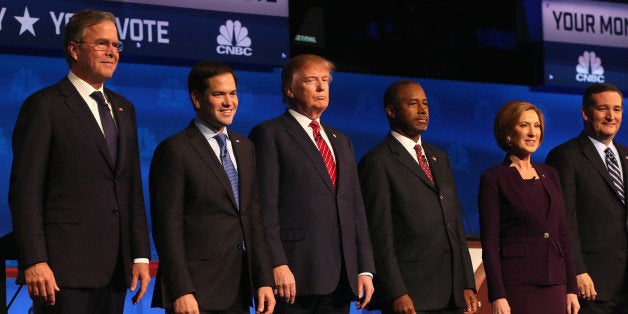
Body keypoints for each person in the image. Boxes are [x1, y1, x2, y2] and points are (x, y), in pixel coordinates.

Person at [8, 9, 151, 313]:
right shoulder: (44, 106)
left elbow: (131, 188)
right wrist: (35, 260)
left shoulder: (125, 108)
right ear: (74, 49)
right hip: (62, 271)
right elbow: (25, 192)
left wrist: (140, 255)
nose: (112, 52)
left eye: (116, 45)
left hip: (114, 268)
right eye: (102, 43)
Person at [248, 53, 375, 314]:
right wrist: (276, 263)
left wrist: (364, 267)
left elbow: (355, 209)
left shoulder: (341, 140)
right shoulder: (269, 134)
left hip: (341, 277)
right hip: (295, 276)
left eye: (325, 80)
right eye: (311, 80)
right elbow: (263, 209)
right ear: (290, 89)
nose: (321, 87)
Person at [149, 60, 275, 314]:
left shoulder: (245, 146)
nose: (229, 102)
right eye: (219, 94)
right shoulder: (174, 150)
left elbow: (253, 219)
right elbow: (167, 229)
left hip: (239, 289)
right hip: (196, 292)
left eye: (233, 93)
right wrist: (181, 290)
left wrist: (263, 280)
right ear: (196, 98)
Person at [357, 80, 478, 314]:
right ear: (391, 111)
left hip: (451, 294)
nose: (423, 110)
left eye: (425, 104)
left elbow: (454, 226)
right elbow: (379, 236)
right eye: (413, 104)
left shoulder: (439, 158)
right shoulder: (377, 162)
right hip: (412, 295)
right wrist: (396, 292)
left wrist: (466, 283)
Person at [478, 100, 580, 313]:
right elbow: (490, 243)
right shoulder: (494, 178)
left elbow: (562, 234)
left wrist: (571, 288)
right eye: (524, 125)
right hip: (518, 284)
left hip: (556, 282)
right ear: (507, 131)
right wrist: (498, 295)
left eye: (537, 126)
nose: (533, 132)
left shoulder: (550, 173)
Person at [545, 82, 628, 314]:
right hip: (592, 282)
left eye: (617, 109)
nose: (611, 116)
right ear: (585, 113)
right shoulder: (565, 156)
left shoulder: (626, 155)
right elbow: (563, 220)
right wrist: (577, 272)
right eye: (603, 109)